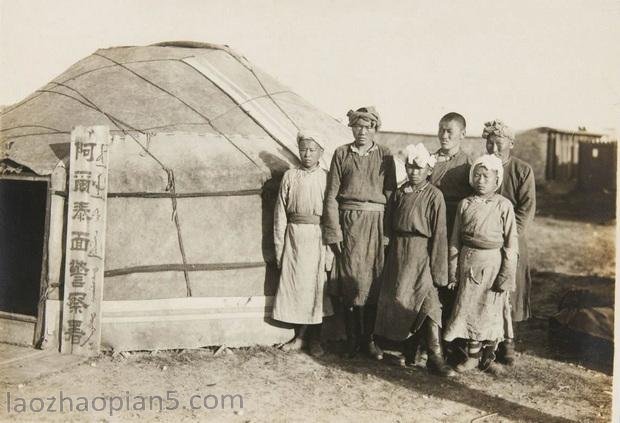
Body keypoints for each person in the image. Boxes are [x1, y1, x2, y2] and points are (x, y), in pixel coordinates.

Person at [374, 143, 455, 377]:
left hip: (422, 252)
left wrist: (439, 271)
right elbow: (388, 227)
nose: (414, 172)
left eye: (419, 168)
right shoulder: (399, 193)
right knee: (402, 300)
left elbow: (439, 235)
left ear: (428, 170)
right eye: (410, 167)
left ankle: (435, 356)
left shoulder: (434, 196)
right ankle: (406, 351)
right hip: (399, 252)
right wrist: (386, 254)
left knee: (429, 303)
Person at [323, 106, 396, 360]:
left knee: (373, 279)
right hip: (349, 223)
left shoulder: (385, 155)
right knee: (349, 278)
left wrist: (387, 232)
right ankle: (352, 339)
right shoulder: (341, 153)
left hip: (375, 223)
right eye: (358, 126)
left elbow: (390, 195)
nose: (362, 132)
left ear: (375, 128)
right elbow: (331, 195)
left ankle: (369, 340)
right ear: (352, 127)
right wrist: (334, 232)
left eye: (368, 127)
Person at [443, 154, 518, 373]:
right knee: (470, 308)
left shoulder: (504, 206)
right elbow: (455, 240)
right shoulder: (465, 204)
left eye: (487, 176)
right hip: (469, 262)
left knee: (491, 309)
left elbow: (512, 245)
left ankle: (488, 357)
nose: (481, 180)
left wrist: (506, 273)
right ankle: (473, 356)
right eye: (477, 175)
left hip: (493, 264)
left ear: (497, 180)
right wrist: (453, 271)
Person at [273, 131, 334, 357]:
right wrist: (280, 248)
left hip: (317, 238)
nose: (307, 154)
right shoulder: (290, 176)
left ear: (321, 152)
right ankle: (299, 338)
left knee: (317, 289)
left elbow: (331, 215)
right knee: (297, 288)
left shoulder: (327, 178)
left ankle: (315, 340)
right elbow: (280, 213)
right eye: (303, 149)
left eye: (312, 150)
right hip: (294, 238)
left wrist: (330, 249)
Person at [483, 119, 536, 365]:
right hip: (486, 239)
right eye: (489, 143)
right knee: (486, 288)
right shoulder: (481, 168)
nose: (493, 149)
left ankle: (508, 341)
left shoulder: (522, 170)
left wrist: (508, 238)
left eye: (499, 143)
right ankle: (485, 341)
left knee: (510, 290)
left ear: (510, 144)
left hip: (512, 240)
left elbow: (526, 209)